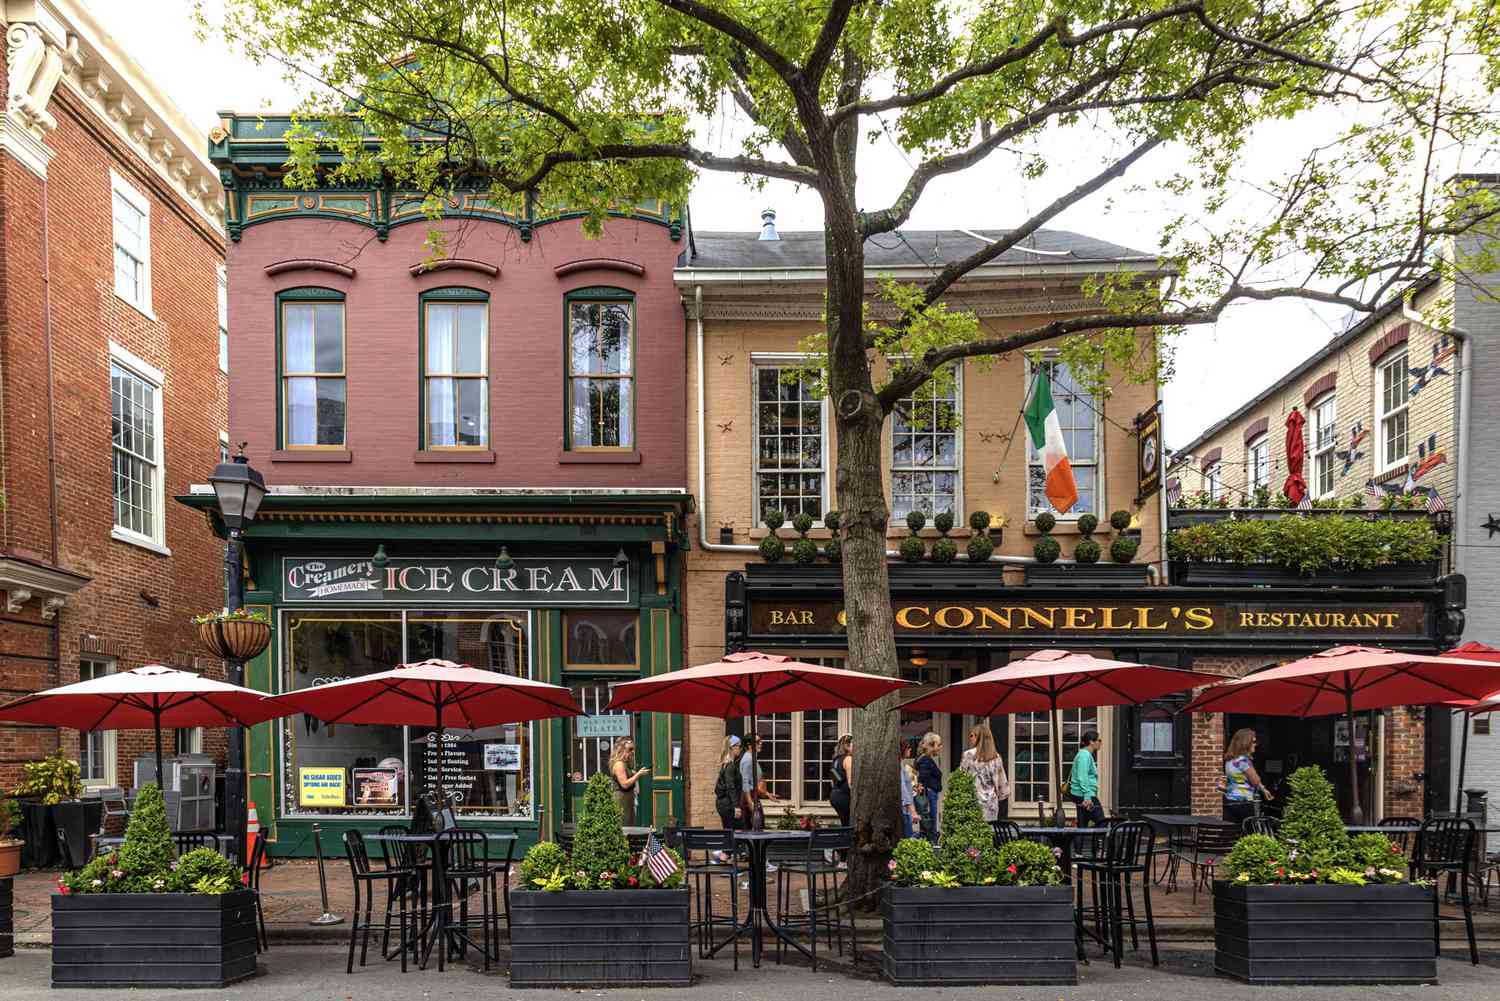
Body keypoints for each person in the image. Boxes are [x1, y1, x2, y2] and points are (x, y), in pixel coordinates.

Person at [959, 723, 1011, 822]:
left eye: (972, 735)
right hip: (990, 803)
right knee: (987, 833)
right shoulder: (996, 757)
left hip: (971, 801)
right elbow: (1002, 785)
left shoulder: (968, 755)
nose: (970, 738)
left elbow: (961, 777)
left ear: (978, 737)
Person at [1222, 727, 1273, 826]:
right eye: (1253, 742)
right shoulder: (1243, 761)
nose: (1256, 744)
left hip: (1230, 801)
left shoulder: (1230, 760)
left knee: (1233, 832)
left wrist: (1263, 790)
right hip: (1244, 802)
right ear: (1246, 743)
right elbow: (1255, 781)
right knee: (1249, 832)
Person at [738, 733, 779, 830]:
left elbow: (753, 782)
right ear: (749, 745)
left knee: (757, 828)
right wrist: (750, 802)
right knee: (756, 829)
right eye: (757, 742)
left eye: (761, 741)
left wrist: (767, 794)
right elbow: (745, 782)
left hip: (753, 796)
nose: (761, 743)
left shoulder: (751, 758)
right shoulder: (748, 759)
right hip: (750, 797)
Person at [608, 737, 649, 826]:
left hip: (628, 799)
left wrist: (634, 773)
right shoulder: (619, 764)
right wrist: (638, 774)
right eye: (630, 749)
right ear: (622, 750)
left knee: (629, 825)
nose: (632, 752)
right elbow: (625, 784)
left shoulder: (625, 763)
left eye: (633, 749)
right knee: (622, 826)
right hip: (621, 799)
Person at [1069, 730, 1106, 827]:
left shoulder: (1084, 755)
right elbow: (1082, 776)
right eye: (1099, 740)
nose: (1101, 743)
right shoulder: (1084, 755)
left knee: (1082, 826)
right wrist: (1087, 797)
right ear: (1091, 742)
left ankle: (1080, 841)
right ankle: (1100, 842)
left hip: (1081, 794)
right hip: (1085, 795)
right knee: (1101, 823)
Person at [915, 732, 943, 840]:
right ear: (932, 745)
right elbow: (922, 780)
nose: (940, 747)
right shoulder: (925, 760)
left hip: (929, 795)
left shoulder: (924, 759)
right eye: (938, 744)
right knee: (930, 824)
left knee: (928, 823)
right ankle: (932, 846)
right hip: (929, 796)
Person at [714, 734, 744, 830]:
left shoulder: (726, 764)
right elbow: (730, 786)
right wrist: (736, 807)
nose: (740, 749)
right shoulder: (730, 766)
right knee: (735, 833)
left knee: (730, 832)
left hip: (724, 804)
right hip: (728, 805)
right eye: (739, 746)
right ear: (732, 748)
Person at [828, 734, 853, 827]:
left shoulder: (836, 760)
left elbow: (833, 781)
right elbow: (851, 783)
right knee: (849, 825)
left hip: (834, 795)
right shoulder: (848, 759)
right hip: (844, 797)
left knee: (845, 823)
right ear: (847, 746)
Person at [900, 743, 922, 838]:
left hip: (905, 809)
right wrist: (912, 811)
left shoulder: (902, 764)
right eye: (908, 748)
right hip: (904, 809)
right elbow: (903, 789)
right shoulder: (899, 767)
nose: (910, 750)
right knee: (908, 838)